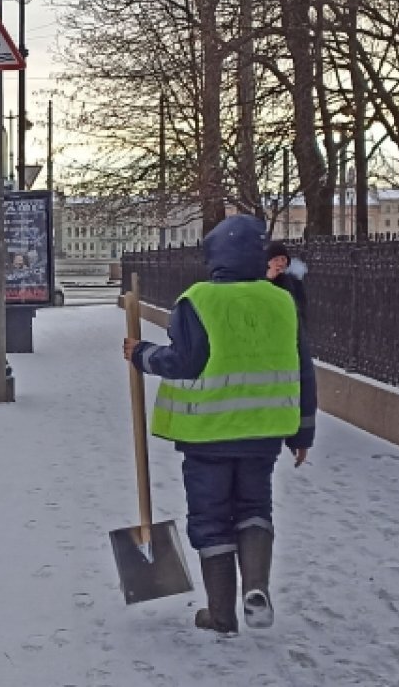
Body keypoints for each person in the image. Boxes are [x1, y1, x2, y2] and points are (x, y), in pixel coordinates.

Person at [122, 215, 316, 635]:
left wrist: (141, 354)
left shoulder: (198, 300)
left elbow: (184, 361)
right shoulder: (281, 301)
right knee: (254, 509)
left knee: (211, 519)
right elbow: (303, 368)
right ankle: (256, 587)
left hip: (207, 435)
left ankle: (221, 614)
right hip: (263, 434)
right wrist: (303, 432)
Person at [266, 241, 308, 325]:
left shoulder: (294, 282)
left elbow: (300, 309)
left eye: (283, 259)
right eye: (276, 260)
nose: (280, 263)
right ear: (268, 262)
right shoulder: (260, 280)